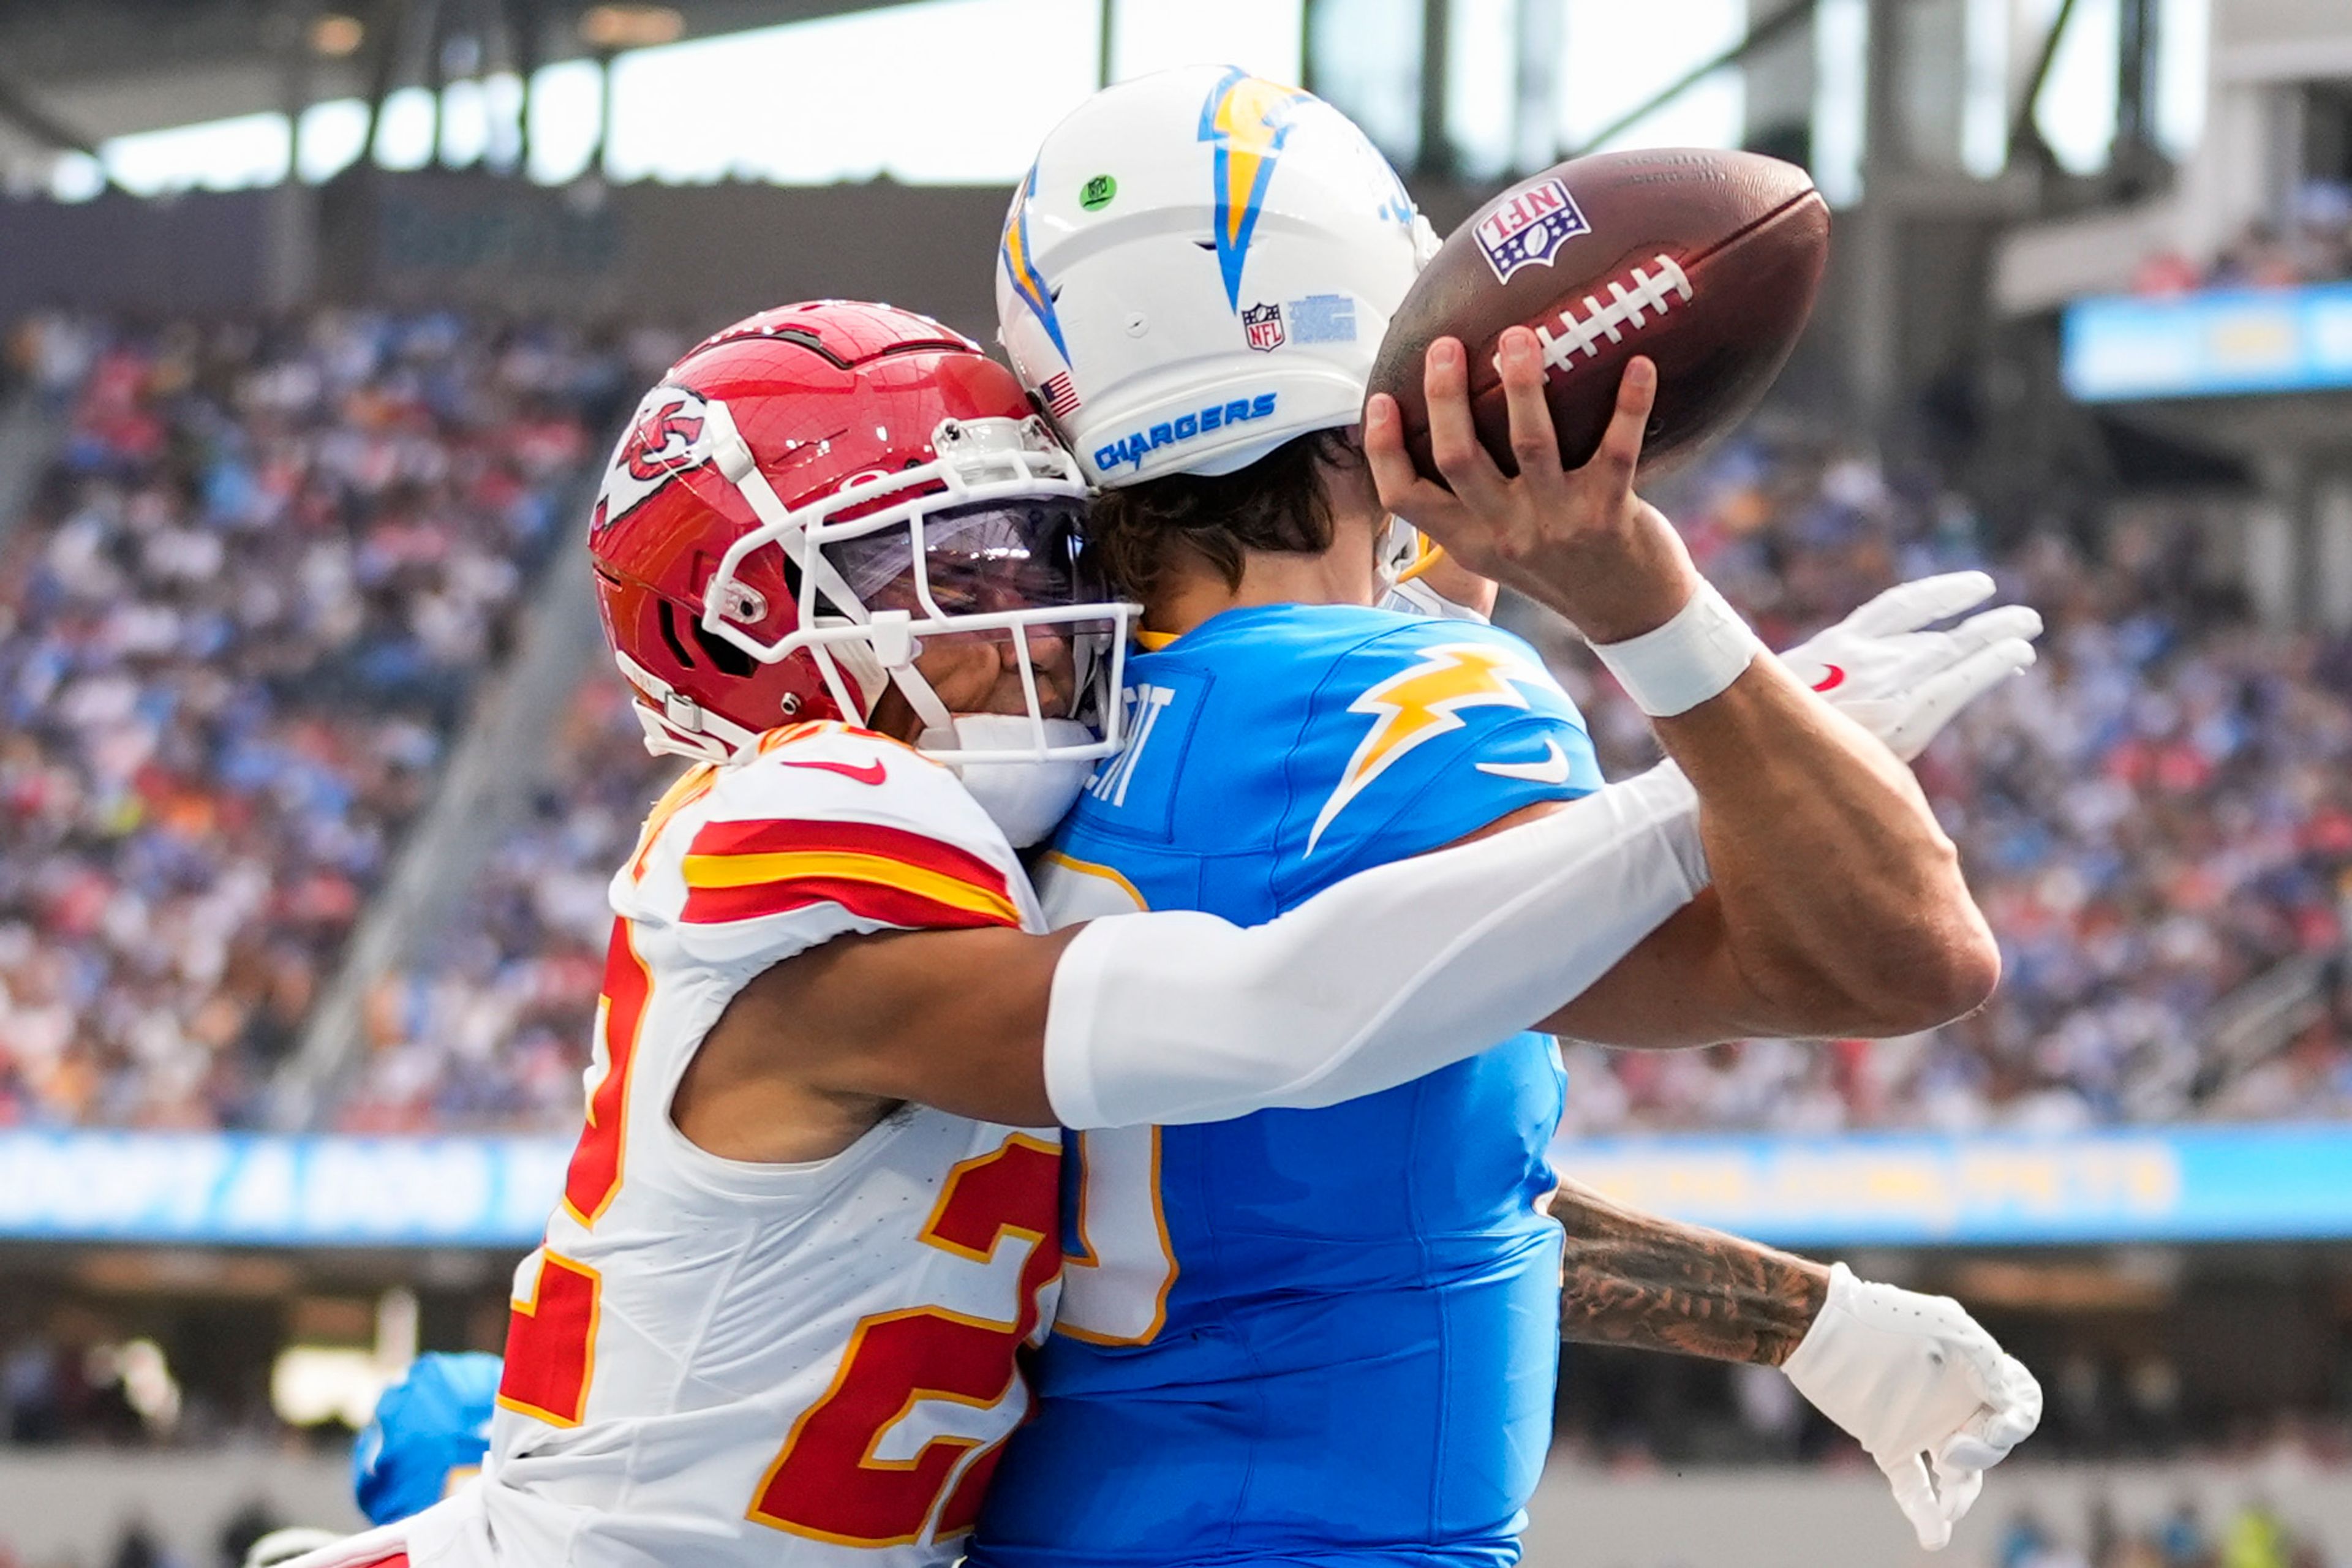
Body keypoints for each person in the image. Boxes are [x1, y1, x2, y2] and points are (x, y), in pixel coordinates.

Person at [279, 295, 2011, 1568]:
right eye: (942, 572)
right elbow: (1280, 1016)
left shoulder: (1012, 849)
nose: (1026, 615)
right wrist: (1707, 766)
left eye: (1037, 551)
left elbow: (1315, 1174)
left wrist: (1815, 1323)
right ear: (756, 631)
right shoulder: (797, 857)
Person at [975, 66, 2041, 1566]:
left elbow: (1336, 1179)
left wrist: (1808, 1317)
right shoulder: (1406, 708)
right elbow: (1910, 956)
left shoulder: (1007, 724)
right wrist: (1654, 607)